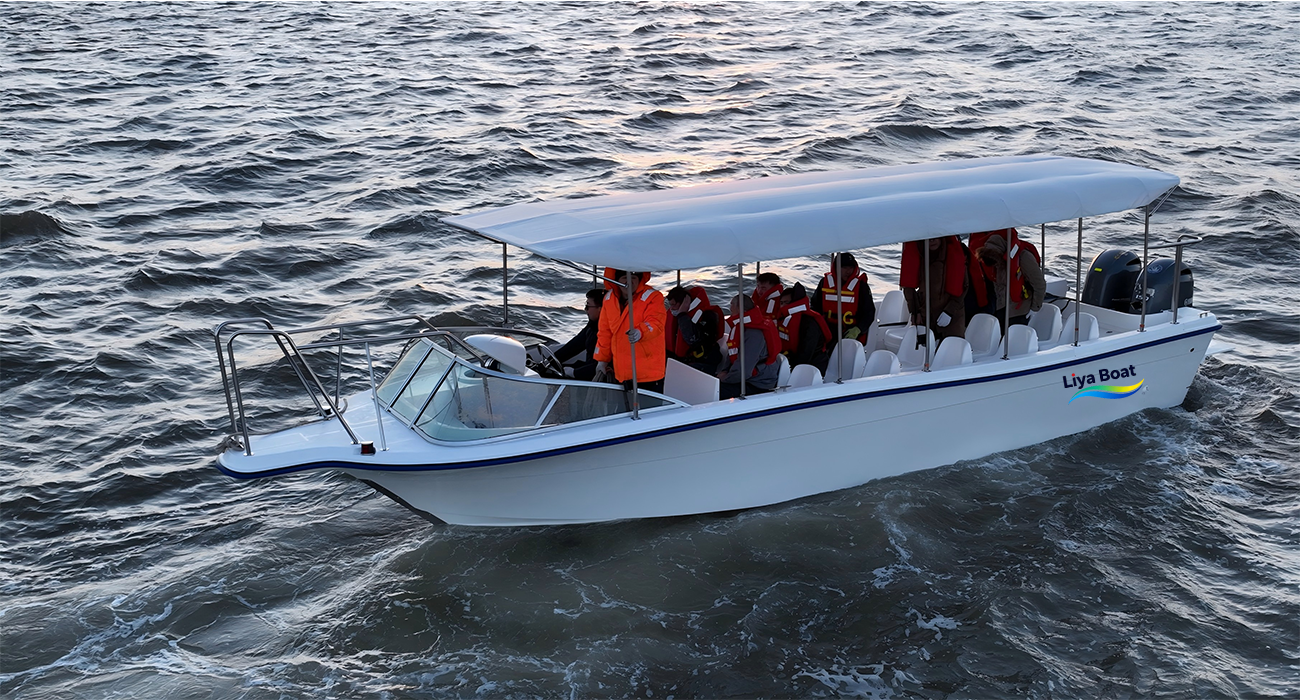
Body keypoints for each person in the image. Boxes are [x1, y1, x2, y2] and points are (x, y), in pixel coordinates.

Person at [593, 269, 667, 394]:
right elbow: (605, 333)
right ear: (617, 280)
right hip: (621, 374)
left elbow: (656, 323)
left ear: (639, 280)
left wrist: (640, 332)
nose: (629, 282)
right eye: (624, 278)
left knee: (649, 406)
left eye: (633, 278)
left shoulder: (653, 297)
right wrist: (602, 361)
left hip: (648, 374)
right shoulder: (609, 299)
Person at [900, 236, 968, 342]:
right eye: (928, 238)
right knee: (924, 347)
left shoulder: (953, 255)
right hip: (925, 314)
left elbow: (963, 286)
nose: (932, 241)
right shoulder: (918, 255)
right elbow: (908, 288)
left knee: (951, 346)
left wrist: (949, 312)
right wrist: (914, 312)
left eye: (935, 237)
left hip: (952, 315)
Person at [976, 230, 1046, 331]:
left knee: (1014, 336)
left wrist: (1035, 308)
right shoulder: (993, 260)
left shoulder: (1024, 257)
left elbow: (1039, 284)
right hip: (1001, 307)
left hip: (1020, 309)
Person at [716, 295, 782, 399]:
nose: (730, 308)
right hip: (744, 377)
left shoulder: (754, 334)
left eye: (732, 305)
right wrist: (724, 371)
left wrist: (725, 379)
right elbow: (732, 352)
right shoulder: (741, 328)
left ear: (741, 309)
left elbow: (745, 371)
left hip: (758, 382)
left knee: (715, 391)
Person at [811, 252, 875, 344]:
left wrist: (858, 329)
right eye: (844, 267)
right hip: (826, 328)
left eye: (851, 267)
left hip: (850, 331)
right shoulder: (824, 282)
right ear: (836, 268)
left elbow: (869, 312)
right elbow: (815, 306)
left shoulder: (861, 286)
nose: (848, 271)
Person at [665, 285, 724, 374]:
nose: (671, 308)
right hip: (682, 360)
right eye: (670, 305)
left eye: (673, 305)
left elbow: (692, 339)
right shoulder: (676, 317)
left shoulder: (707, 316)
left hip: (704, 362)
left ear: (683, 303)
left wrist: (682, 315)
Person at [776, 282, 831, 373]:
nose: (783, 306)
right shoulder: (784, 319)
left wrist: (790, 368)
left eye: (786, 302)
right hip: (789, 360)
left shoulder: (809, 323)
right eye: (781, 303)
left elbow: (806, 353)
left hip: (813, 367)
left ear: (795, 303)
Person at [552, 288, 604, 380]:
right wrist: (551, 361)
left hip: (597, 377)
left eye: (588, 306)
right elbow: (574, 346)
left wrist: (574, 373)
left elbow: (604, 364)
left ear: (600, 309)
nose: (585, 310)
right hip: (588, 370)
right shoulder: (592, 326)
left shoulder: (609, 333)